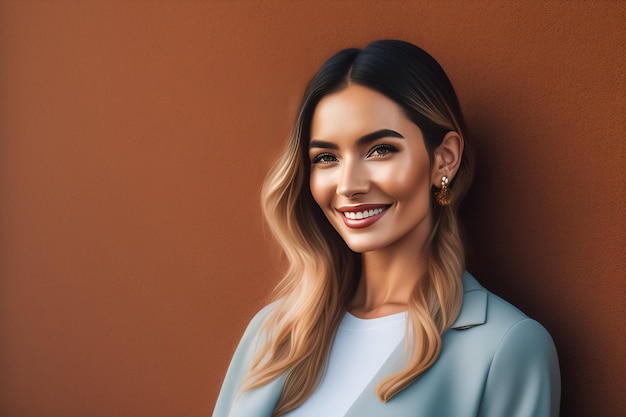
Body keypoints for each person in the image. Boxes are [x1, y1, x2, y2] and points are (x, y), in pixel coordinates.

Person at [212, 40, 560, 417]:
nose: (348, 184)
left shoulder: (505, 347)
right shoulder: (272, 332)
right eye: (327, 157)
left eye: (379, 150)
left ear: (444, 159)